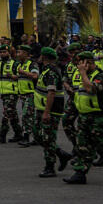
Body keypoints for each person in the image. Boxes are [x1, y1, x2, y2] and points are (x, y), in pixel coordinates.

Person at [64, 51, 103, 184]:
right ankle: (80, 173)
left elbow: (92, 89)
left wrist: (83, 74)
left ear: (89, 62)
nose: (79, 66)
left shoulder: (100, 76)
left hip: (98, 119)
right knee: (83, 146)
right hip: (84, 117)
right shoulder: (84, 75)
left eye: (81, 63)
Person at [31, 46, 72, 178]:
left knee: (48, 138)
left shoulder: (51, 72)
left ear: (44, 57)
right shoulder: (45, 70)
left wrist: (46, 112)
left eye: (40, 55)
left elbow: (51, 92)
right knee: (37, 135)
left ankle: (50, 167)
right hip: (41, 108)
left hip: (51, 110)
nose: (39, 58)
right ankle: (60, 153)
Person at [0, 43, 24, 143]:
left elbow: (22, 76)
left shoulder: (15, 64)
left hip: (12, 93)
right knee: (12, 114)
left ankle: (2, 135)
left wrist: (14, 76)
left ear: (9, 53)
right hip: (4, 93)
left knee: (6, 113)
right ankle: (19, 133)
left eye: (4, 52)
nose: (2, 54)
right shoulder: (0, 64)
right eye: (1, 52)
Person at [15, 45, 39, 146]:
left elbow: (35, 76)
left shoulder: (32, 64)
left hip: (31, 94)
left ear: (25, 53)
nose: (17, 54)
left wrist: (23, 72)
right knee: (30, 116)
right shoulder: (20, 64)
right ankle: (37, 138)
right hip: (23, 94)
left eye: (19, 52)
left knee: (26, 115)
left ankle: (26, 137)